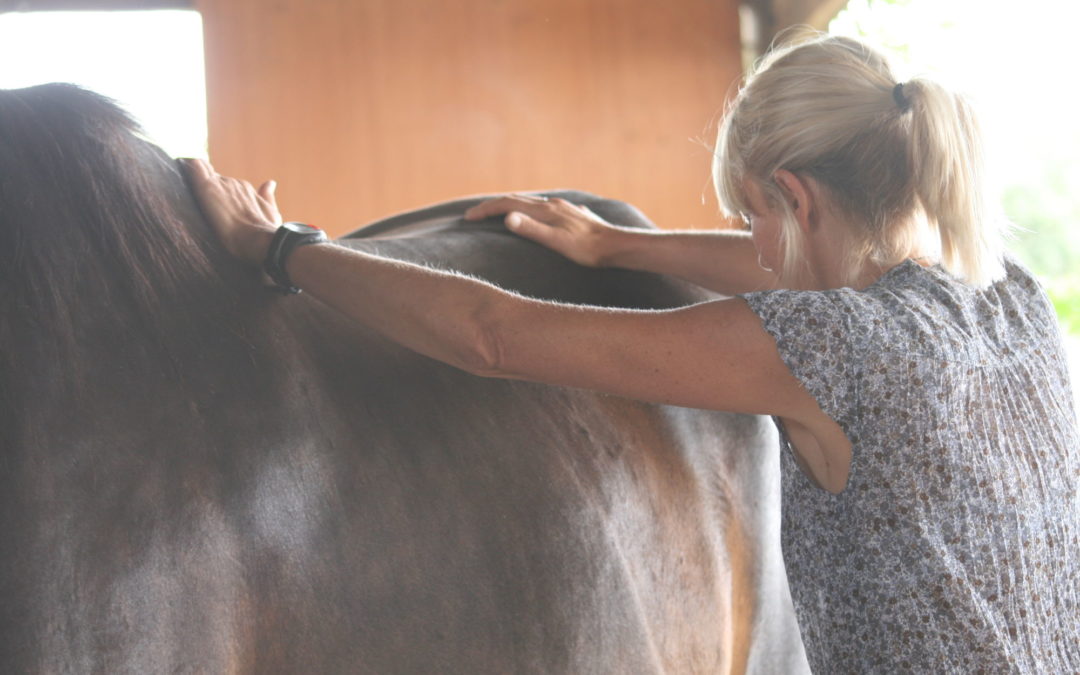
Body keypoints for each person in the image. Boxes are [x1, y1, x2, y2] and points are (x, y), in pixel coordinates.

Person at [185, 33, 1078, 673]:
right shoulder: (1011, 296)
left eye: (753, 217)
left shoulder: (839, 349)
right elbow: (804, 275)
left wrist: (282, 249)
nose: (754, 246)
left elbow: (495, 336)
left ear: (798, 199)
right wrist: (619, 248)